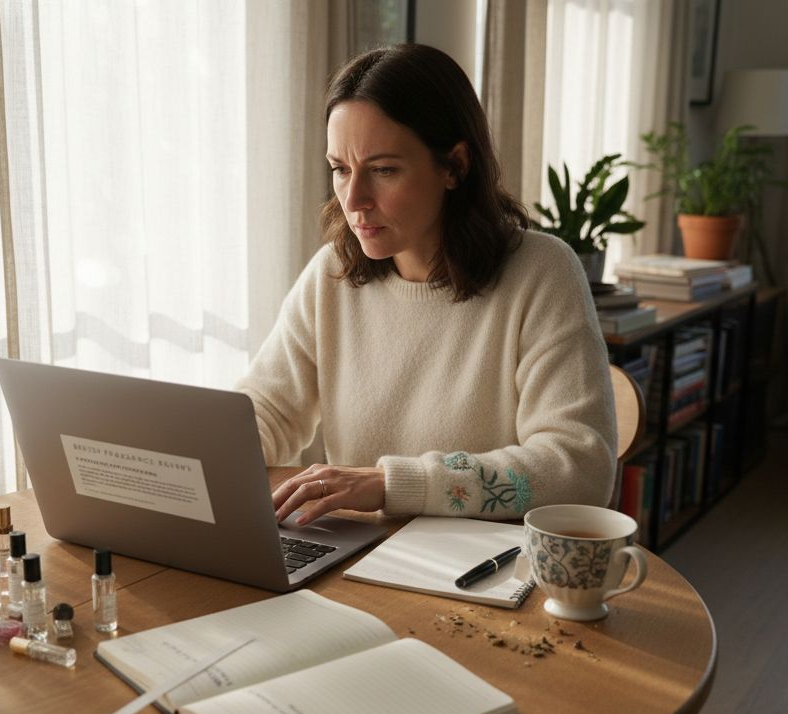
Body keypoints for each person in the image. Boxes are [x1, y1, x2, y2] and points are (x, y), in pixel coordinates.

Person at [235, 43, 617, 526]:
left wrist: (392, 484)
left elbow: (579, 468)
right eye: (340, 169)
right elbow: (268, 410)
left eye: (384, 170)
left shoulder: (542, 273)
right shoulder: (331, 274)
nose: (354, 199)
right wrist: (198, 454)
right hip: (356, 558)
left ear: (454, 166)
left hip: (479, 571)